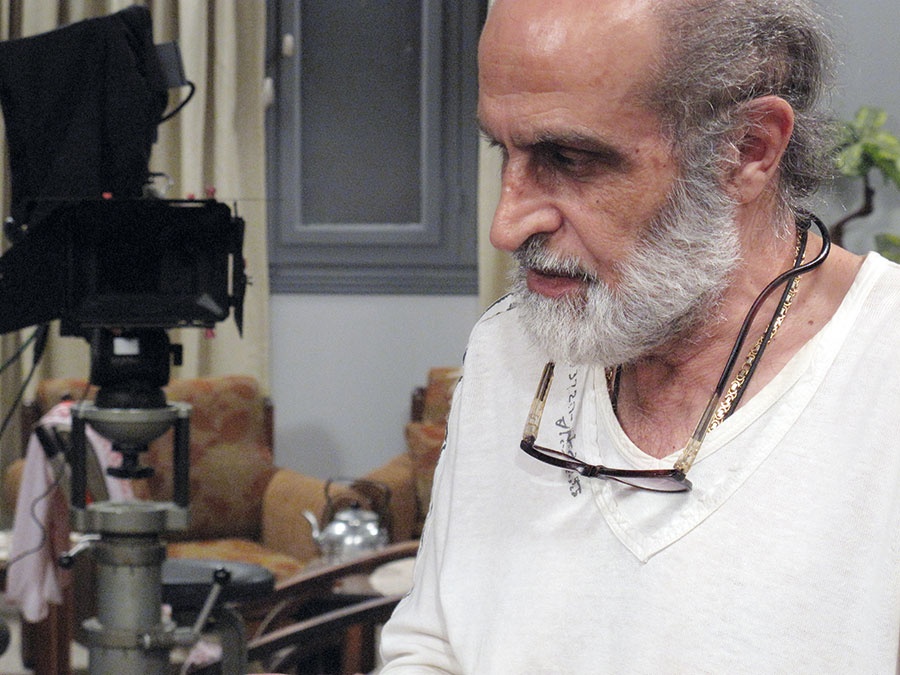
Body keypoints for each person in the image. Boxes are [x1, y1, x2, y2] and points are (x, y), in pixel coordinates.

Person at [380, 0, 900, 671]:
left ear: (747, 150)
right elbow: (433, 643)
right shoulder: (508, 346)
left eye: (569, 158)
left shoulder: (881, 372)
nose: (505, 226)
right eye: (500, 149)